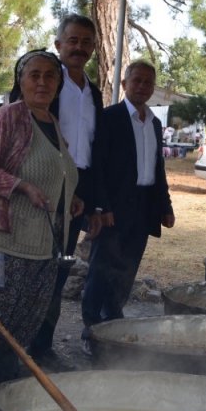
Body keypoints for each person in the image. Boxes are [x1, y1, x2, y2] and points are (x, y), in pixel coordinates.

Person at [0, 50, 81, 409]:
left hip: (39, 238)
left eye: (50, 77)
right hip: (1, 233)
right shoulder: (10, 116)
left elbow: (57, 174)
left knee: (23, 308)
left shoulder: (53, 124)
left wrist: (70, 199)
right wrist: (22, 187)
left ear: (58, 84)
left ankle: (6, 377)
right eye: (34, 75)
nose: (42, 82)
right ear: (21, 81)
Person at [80, 61, 175, 352]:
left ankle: (114, 325)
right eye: (137, 81)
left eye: (148, 82)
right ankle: (92, 332)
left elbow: (157, 169)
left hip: (143, 208)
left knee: (125, 272)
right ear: (124, 84)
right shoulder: (110, 118)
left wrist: (166, 206)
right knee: (101, 270)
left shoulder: (155, 124)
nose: (143, 87)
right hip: (113, 208)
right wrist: (102, 206)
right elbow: (99, 167)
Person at [27, 14, 103, 365]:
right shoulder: (42, 79)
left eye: (86, 42)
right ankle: (16, 347)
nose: (79, 47)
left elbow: (94, 150)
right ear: (58, 44)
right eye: (72, 40)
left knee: (58, 271)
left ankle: (42, 347)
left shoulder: (94, 92)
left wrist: (94, 204)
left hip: (76, 193)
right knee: (31, 269)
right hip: (40, 186)